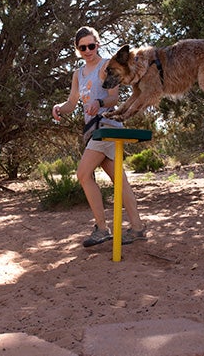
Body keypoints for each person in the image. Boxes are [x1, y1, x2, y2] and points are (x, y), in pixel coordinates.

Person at [52, 26, 147, 247]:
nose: (88, 50)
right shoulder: (79, 74)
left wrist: (100, 102)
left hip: (107, 127)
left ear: (98, 44)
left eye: (91, 45)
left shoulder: (106, 66)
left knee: (83, 174)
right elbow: (73, 101)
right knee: (119, 180)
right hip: (94, 130)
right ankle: (138, 228)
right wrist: (59, 107)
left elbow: (114, 97)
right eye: (82, 47)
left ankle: (102, 229)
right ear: (77, 49)